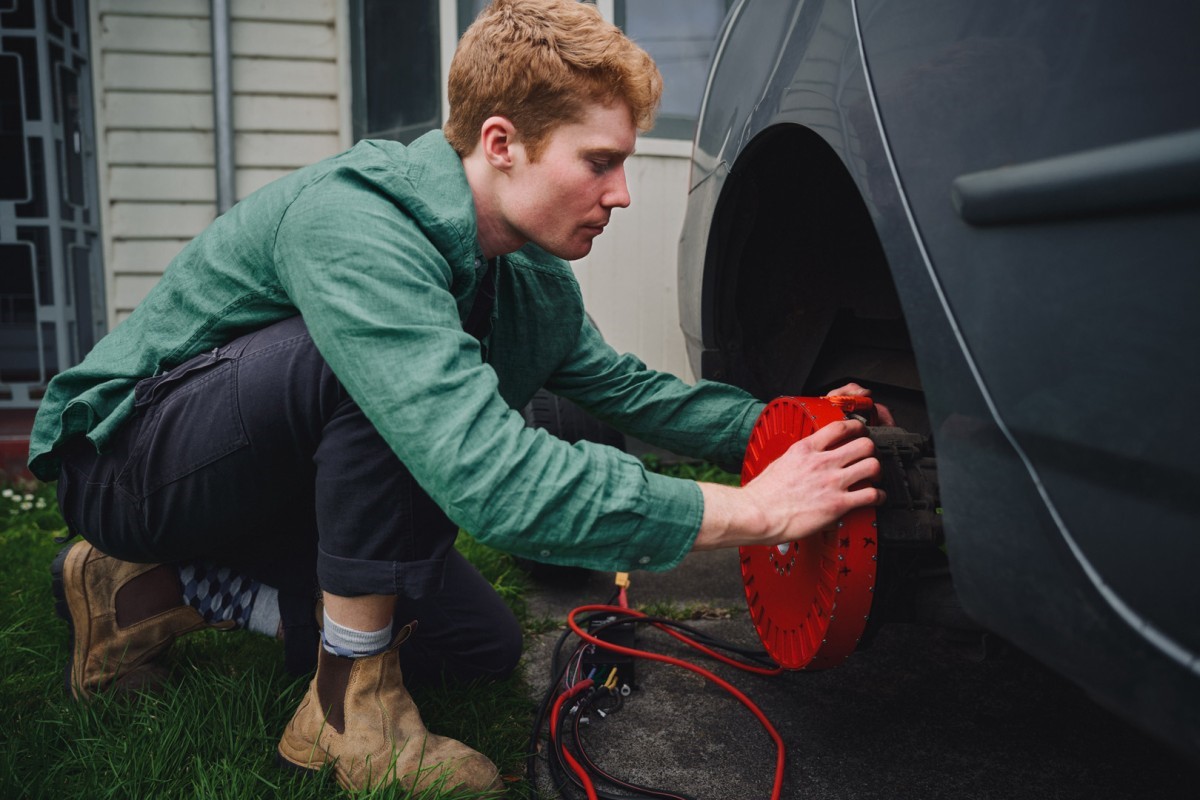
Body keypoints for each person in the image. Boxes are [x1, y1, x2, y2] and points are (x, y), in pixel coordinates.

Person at [29, 0, 889, 793]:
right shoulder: (357, 224)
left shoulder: (531, 277)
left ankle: (142, 594)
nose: (621, 193)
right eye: (600, 162)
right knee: (374, 374)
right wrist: (756, 513)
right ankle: (348, 709)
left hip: (262, 482)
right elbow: (494, 481)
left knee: (475, 643)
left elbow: (628, 389)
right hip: (127, 461)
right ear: (503, 141)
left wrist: (788, 429)